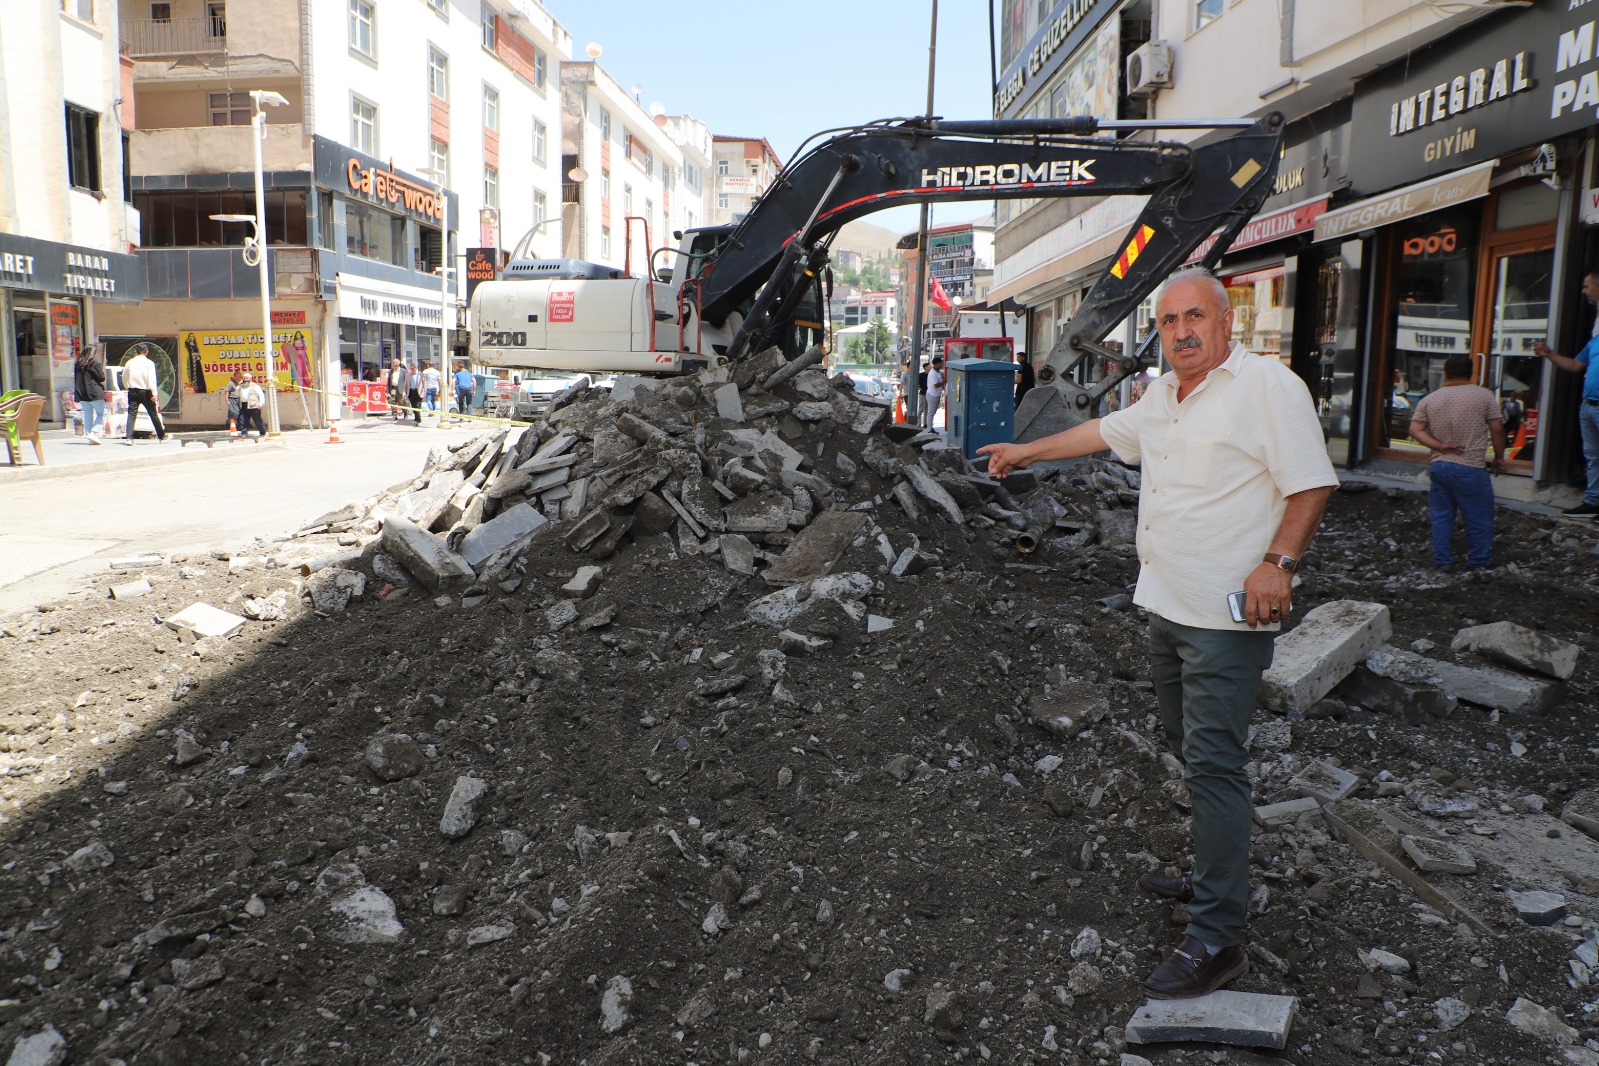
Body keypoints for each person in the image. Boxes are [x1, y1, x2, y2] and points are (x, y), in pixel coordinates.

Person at [979, 266, 1338, 1000]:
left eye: (1194, 318)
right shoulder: (1162, 398)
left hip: (1223, 618)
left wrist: (1280, 564)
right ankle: (1214, 871)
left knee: (1211, 763)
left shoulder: (1267, 388)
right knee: (1186, 746)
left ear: (1223, 320)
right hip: (1166, 606)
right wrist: (1023, 451)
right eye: (1169, 322)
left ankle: (1216, 935)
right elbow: (1099, 433)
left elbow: (1310, 482)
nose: (1181, 332)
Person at [1407, 354, 1506, 570]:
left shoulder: (1430, 399)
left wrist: (1438, 446)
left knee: (1441, 516)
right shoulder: (1484, 396)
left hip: (1439, 466)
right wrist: (1499, 457)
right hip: (1470, 466)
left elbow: (1415, 429)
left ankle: (1443, 561)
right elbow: (1497, 428)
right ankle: (1478, 563)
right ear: (1471, 373)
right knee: (1478, 518)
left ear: (1445, 373)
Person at [1531, 270, 1599, 517]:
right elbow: (1574, 365)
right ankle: (1593, 501)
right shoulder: (1594, 341)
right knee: (1593, 456)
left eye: (1586, 286)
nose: (1583, 291)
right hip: (1589, 405)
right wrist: (1549, 353)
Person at [122, 347, 168, 444]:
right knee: (153, 413)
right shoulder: (149, 363)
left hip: (132, 390)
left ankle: (129, 438)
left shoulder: (129, 362)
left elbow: (124, 376)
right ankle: (162, 436)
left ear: (136, 352)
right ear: (146, 352)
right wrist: (154, 393)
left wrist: (128, 387)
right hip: (145, 391)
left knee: (131, 414)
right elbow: (151, 379)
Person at [74, 344, 107, 445]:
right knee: (101, 413)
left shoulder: (78, 364)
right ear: (94, 354)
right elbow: (101, 377)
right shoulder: (94, 364)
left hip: (82, 393)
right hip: (94, 393)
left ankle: (89, 436)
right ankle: (94, 433)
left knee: (88, 415)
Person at [238, 373, 267, 437]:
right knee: (243, 419)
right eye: (244, 378)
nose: (245, 380)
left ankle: (262, 432)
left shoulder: (255, 386)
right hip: (244, 405)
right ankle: (244, 432)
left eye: (247, 378)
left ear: (250, 379)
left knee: (257, 420)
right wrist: (239, 384)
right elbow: (236, 391)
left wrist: (261, 403)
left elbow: (261, 395)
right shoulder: (241, 386)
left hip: (254, 405)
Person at [924, 356, 945, 431]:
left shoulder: (937, 372)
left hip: (936, 394)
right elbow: (935, 385)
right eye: (940, 364)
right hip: (932, 395)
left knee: (933, 412)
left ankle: (930, 427)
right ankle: (929, 428)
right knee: (931, 412)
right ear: (936, 364)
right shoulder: (933, 373)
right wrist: (944, 381)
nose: (941, 365)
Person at [387, 356, 408, 422]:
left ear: (399, 364)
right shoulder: (391, 371)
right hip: (393, 388)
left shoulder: (403, 371)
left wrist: (405, 390)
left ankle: (405, 413)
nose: (394, 364)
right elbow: (389, 381)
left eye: (396, 363)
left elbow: (406, 381)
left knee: (401, 402)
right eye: (393, 363)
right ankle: (394, 415)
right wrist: (387, 390)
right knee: (392, 401)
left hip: (401, 389)